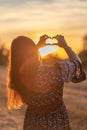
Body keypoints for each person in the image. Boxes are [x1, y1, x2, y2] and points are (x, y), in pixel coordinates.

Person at [7, 34, 86, 130]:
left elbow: (26, 63)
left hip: (32, 122)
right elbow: (78, 64)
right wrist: (65, 46)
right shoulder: (55, 71)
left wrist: (36, 48)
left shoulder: (16, 78)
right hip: (56, 121)